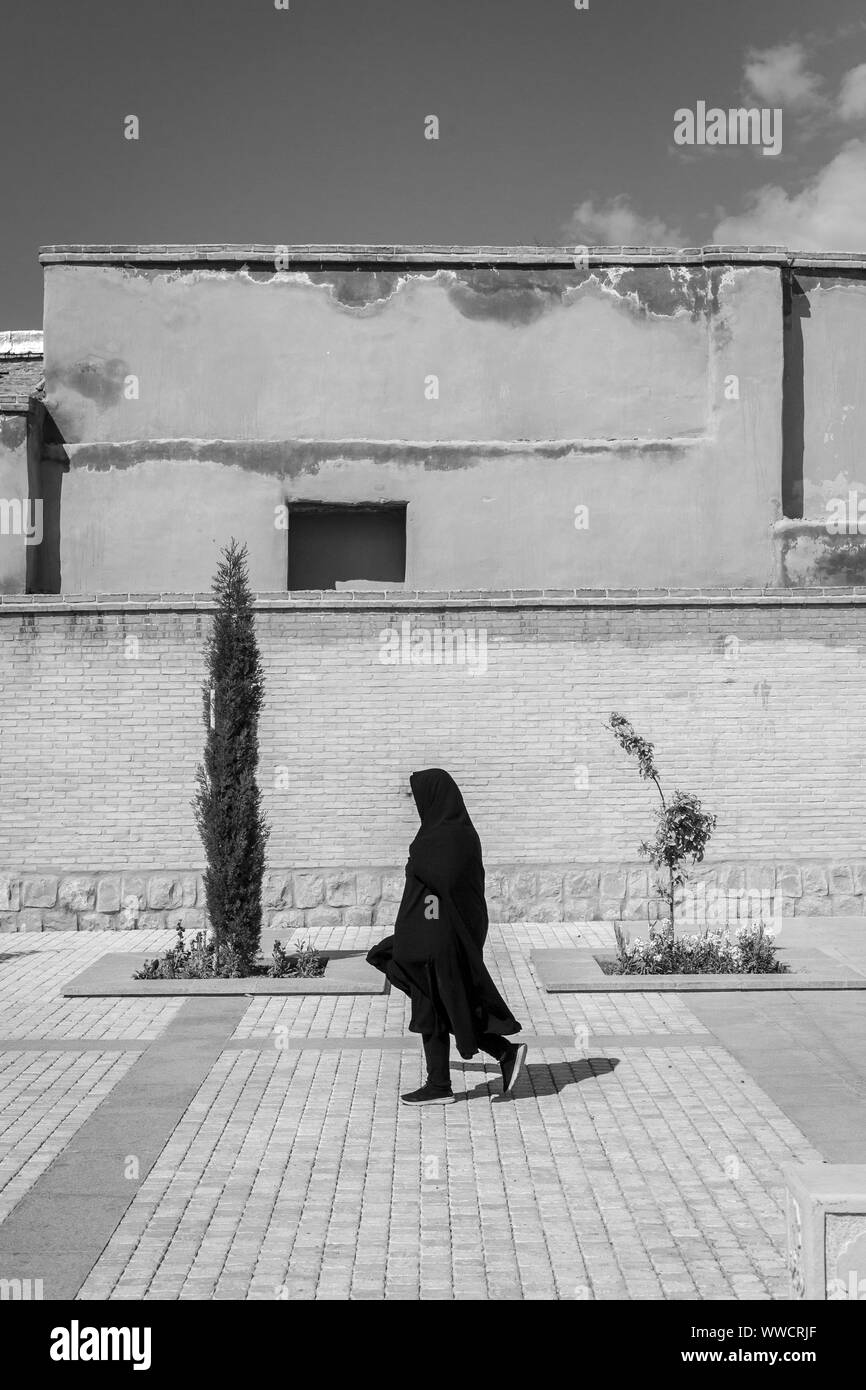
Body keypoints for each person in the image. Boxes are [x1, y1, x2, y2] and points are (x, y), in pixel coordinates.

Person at [367, 768, 526, 1105]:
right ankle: (490, 1057)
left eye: (418, 797)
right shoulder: (463, 833)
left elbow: (437, 894)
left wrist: (421, 935)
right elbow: (442, 895)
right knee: (437, 1003)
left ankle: (444, 1082)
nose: (417, 804)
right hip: (438, 935)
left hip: (434, 940)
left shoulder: (438, 839)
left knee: (433, 1002)